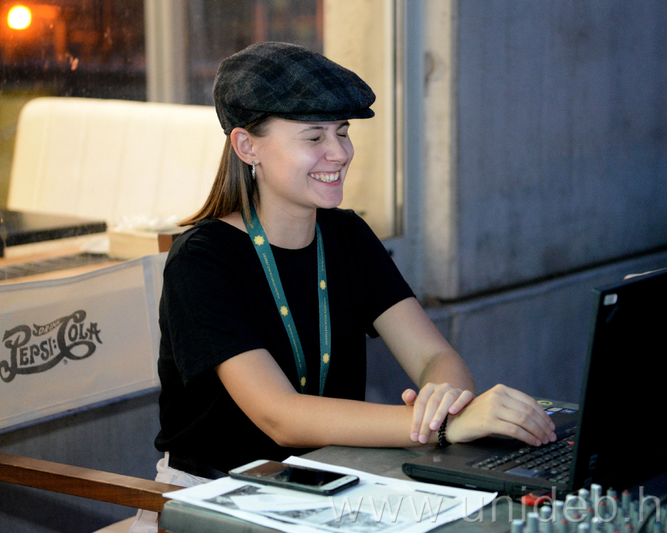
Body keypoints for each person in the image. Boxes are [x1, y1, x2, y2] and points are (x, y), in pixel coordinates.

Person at [154, 41, 557, 487]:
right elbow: (280, 416)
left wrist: (444, 406)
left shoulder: (347, 235)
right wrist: (442, 426)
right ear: (247, 146)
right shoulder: (201, 259)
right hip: (218, 493)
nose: (340, 153)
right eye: (314, 137)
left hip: (332, 479)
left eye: (342, 132)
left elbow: (435, 356)